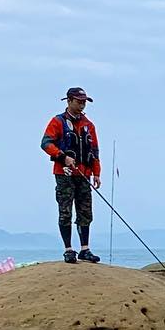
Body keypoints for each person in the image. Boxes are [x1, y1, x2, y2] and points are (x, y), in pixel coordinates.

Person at [40, 87, 102, 263]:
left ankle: (85, 249)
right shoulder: (57, 122)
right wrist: (62, 156)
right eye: (79, 101)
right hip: (64, 173)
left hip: (84, 173)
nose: (82, 105)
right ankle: (68, 249)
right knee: (65, 211)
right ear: (69, 101)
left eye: (84, 102)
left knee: (85, 211)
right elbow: (45, 143)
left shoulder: (89, 125)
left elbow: (95, 151)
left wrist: (96, 173)